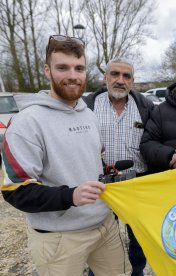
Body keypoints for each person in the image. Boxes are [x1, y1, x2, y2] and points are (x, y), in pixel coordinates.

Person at [1, 35, 131, 275]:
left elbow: (93, 161)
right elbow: (14, 190)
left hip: (104, 227)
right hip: (58, 238)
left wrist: (107, 172)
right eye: (63, 67)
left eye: (79, 68)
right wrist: (71, 195)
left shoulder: (88, 115)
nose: (73, 75)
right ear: (47, 70)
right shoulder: (27, 122)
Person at [84, 58, 153, 276]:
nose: (120, 80)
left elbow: (156, 141)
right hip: (102, 185)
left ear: (133, 81)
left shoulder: (146, 107)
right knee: (101, 237)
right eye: (115, 74)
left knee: (139, 237)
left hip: (137, 183)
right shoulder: (87, 107)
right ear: (105, 77)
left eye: (127, 76)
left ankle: (138, 271)